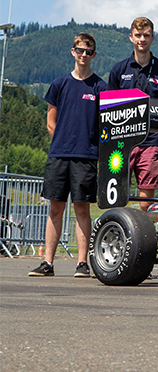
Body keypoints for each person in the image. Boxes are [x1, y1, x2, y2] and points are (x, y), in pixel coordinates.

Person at [29, 33, 107, 278]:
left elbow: (106, 124)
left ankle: (82, 263)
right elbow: (50, 122)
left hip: (86, 156)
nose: (83, 55)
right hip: (59, 154)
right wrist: (62, 142)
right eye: (80, 50)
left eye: (88, 51)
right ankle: (47, 263)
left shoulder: (100, 86)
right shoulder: (59, 84)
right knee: (55, 208)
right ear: (72, 51)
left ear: (94, 55)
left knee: (82, 209)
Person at [107, 17, 158, 211]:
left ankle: (142, 238)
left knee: (146, 202)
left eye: (146, 35)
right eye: (138, 35)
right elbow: (109, 108)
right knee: (117, 197)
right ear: (130, 37)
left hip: (150, 141)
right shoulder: (119, 69)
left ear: (152, 38)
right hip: (121, 142)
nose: (142, 39)